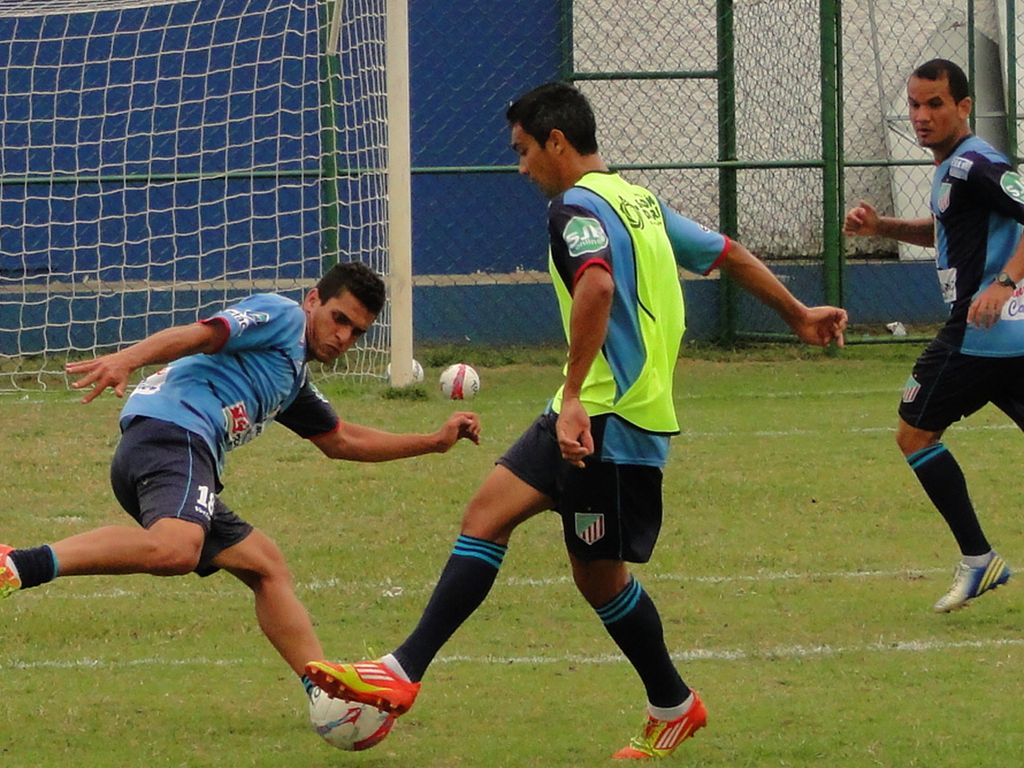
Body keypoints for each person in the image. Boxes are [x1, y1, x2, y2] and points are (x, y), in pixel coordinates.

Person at [305, 82, 847, 760]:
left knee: (598, 577)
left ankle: (673, 704)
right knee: (488, 514)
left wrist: (570, 395)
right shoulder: (638, 200)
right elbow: (726, 252)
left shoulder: (573, 209)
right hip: (600, 409)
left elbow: (595, 283)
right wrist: (797, 314)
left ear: (556, 142)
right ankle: (405, 670)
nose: (521, 166)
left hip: (607, 418)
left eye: (524, 151)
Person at [0, 261, 481, 707]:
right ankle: (18, 564)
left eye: (356, 331)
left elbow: (341, 439)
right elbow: (202, 335)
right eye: (339, 319)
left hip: (169, 448)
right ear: (313, 300)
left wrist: (432, 442)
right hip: (175, 434)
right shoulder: (283, 316)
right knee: (176, 549)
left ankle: (323, 691)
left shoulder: (290, 375)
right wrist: (129, 358)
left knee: (265, 566)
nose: (343, 336)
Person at [844, 58, 1018, 613]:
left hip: (979, 334)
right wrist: (883, 228)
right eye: (915, 105)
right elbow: (948, 230)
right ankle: (977, 558)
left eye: (935, 104)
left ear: (964, 107)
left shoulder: (977, 165)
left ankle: (977, 557)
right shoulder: (953, 169)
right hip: (1003, 340)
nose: (922, 116)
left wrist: (1005, 282)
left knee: (914, 432)